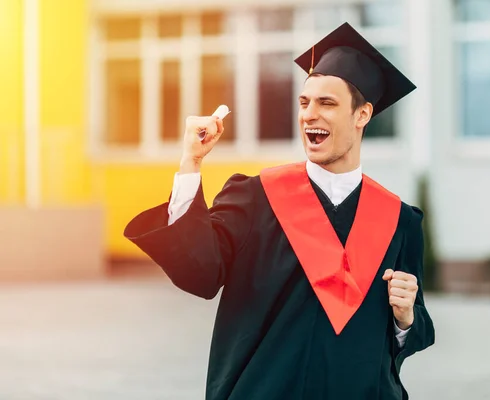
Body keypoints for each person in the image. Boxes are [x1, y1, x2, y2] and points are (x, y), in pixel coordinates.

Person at [124, 22, 434, 400]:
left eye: (327, 103)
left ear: (362, 115)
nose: (309, 115)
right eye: (304, 102)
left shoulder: (400, 221)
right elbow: (198, 273)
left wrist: (406, 319)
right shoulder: (255, 198)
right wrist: (190, 163)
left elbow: (412, 333)